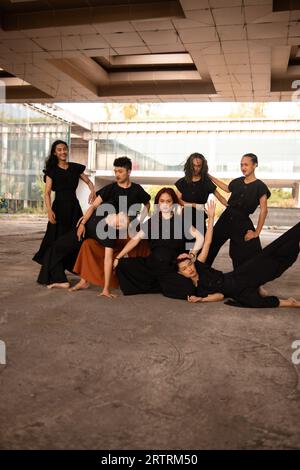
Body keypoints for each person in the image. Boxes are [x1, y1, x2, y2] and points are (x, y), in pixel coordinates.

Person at [163, 200, 300, 309]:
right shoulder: (196, 289)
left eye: (189, 265)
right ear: (181, 274)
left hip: (239, 276)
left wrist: (210, 218)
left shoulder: (200, 265)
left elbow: (208, 242)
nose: (190, 269)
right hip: (236, 292)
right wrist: (202, 299)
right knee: (254, 302)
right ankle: (290, 302)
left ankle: (295, 237)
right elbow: (220, 295)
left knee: (267, 259)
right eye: (185, 269)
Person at [69, 156, 151, 297]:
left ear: (129, 172)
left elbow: (148, 204)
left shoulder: (137, 189)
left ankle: (131, 279)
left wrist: (141, 220)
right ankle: (85, 280)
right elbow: (93, 206)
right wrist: (83, 223)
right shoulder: (111, 188)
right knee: (87, 244)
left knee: (141, 243)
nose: (117, 174)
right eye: (115, 171)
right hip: (110, 229)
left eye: (120, 171)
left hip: (127, 231)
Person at [114, 187, 204, 295]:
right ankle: (159, 285)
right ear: (158, 203)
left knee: (189, 289)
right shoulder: (152, 222)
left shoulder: (181, 221)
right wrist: (118, 257)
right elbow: (135, 240)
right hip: (153, 264)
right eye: (162, 201)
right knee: (123, 264)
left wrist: (192, 255)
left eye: (168, 201)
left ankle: (160, 285)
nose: (165, 204)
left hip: (171, 267)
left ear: (173, 203)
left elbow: (200, 237)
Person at [33, 140, 96, 267]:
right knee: (55, 237)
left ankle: (76, 265)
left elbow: (89, 182)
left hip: (74, 207)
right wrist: (49, 210)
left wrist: (92, 191)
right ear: (55, 153)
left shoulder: (75, 168)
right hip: (59, 208)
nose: (63, 152)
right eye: (59, 150)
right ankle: (52, 264)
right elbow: (47, 193)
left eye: (64, 149)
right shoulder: (51, 170)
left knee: (77, 236)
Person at [206, 153, 270, 268]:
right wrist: (209, 176)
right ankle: (201, 274)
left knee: (249, 251)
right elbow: (226, 188)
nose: (243, 168)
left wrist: (256, 232)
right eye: (241, 165)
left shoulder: (260, 186)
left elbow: (264, 210)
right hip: (226, 217)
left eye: (246, 164)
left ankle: (249, 282)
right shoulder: (238, 181)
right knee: (210, 244)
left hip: (242, 221)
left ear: (255, 165)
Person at [175, 153, 228, 233]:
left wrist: (230, 206)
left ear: (202, 167)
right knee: (185, 245)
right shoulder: (182, 182)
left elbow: (220, 197)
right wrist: (194, 205)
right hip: (184, 218)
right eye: (193, 165)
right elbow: (177, 200)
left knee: (201, 243)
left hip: (200, 218)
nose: (196, 168)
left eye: (199, 166)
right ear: (189, 165)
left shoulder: (206, 182)